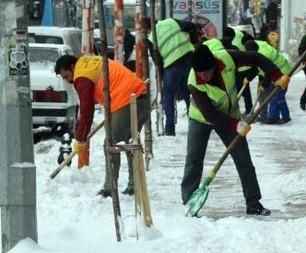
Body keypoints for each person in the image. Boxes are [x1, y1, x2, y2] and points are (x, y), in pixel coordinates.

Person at [181, 44, 289, 215]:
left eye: (206, 72)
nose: (203, 76)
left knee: (243, 159)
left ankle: (253, 203)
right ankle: (189, 200)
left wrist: (276, 74)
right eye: (199, 73)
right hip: (200, 118)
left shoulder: (226, 58)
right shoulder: (194, 82)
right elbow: (210, 115)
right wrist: (235, 125)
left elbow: (256, 57)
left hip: (229, 114)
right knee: (194, 159)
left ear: (214, 65)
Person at [55, 54, 150, 197]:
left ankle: (110, 187)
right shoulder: (90, 61)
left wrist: (80, 139)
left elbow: (86, 110)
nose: (69, 81)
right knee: (131, 142)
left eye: (67, 76)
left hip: (125, 100)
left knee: (111, 144)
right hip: (141, 98)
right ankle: (134, 184)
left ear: (73, 67)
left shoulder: (81, 75)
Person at [151, 17, 200, 136]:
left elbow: (157, 60)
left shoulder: (151, 36)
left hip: (172, 65)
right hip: (189, 57)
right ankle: (197, 124)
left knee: (168, 95)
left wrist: (162, 77)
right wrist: (193, 42)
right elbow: (192, 26)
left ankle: (169, 129)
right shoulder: (171, 21)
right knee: (191, 91)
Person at [244, 38, 292, 124]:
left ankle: (285, 117)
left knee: (277, 96)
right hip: (272, 73)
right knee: (270, 96)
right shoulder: (255, 48)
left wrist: (264, 84)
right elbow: (256, 68)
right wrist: (248, 78)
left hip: (282, 72)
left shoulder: (264, 54)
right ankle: (270, 117)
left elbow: (268, 71)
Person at [222, 27, 255, 115]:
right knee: (244, 90)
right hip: (244, 64)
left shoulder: (225, 40)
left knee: (239, 89)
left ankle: (244, 110)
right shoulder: (240, 33)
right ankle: (248, 109)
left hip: (239, 67)